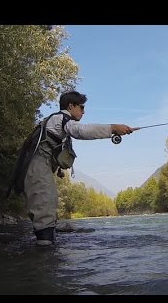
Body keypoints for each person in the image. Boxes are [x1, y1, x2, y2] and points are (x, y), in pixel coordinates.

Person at [24, 90, 136, 246]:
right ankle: (44, 256)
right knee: (45, 205)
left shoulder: (57, 120)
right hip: (37, 168)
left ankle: (46, 250)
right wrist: (113, 128)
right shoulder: (61, 119)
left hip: (39, 168)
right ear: (71, 106)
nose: (83, 111)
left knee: (47, 204)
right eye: (81, 107)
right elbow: (80, 131)